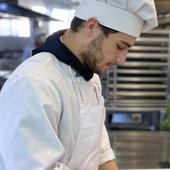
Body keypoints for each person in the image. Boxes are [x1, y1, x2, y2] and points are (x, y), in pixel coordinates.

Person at [0, 0, 158, 170]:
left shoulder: (91, 77)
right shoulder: (34, 83)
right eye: (120, 46)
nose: (122, 59)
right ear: (91, 26)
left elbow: (101, 152)